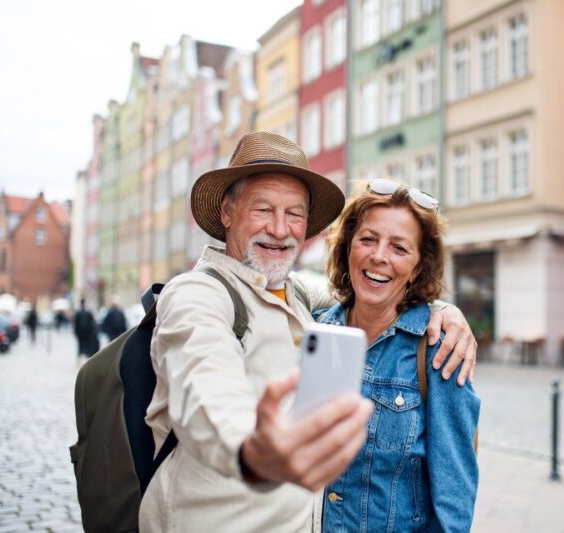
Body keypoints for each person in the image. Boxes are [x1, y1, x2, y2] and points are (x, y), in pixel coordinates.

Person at [140, 132, 476, 532]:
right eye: (263, 209)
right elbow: (204, 388)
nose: (280, 229)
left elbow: (363, 289)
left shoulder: (295, 294)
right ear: (227, 212)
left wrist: (441, 309)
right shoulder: (197, 295)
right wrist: (253, 450)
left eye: (294, 214)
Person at [316, 179, 480, 532]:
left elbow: (454, 499)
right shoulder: (313, 333)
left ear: (418, 267)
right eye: (368, 239)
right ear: (347, 247)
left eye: (400, 248)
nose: (379, 256)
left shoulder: (440, 350)